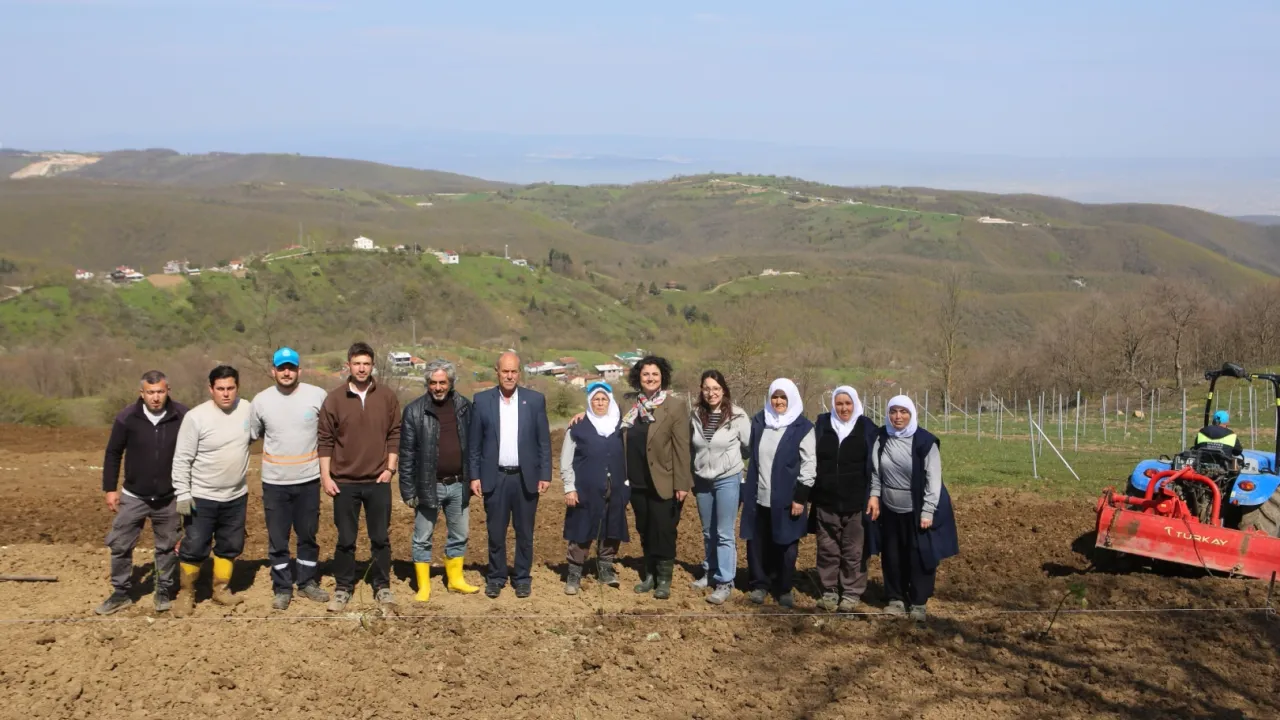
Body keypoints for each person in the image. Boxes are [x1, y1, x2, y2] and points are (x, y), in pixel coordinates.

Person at [318, 342, 402, 612]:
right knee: (345, 538)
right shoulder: (334, 399)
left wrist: (390, 469)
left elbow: (395, 433)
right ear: (349, 366)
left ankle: (382, 586)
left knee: (380, 537)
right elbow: (325, 440)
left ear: (372, 366)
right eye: (357, 364)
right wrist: (326, 477)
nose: (362, 368)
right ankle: (343, 588)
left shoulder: (386, 396)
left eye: (366, 364)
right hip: (344, 482)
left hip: (378, 480)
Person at [96, 370, 189, 615]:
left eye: (160, 392)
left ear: (168, 391)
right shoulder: (127, 417)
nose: (155, 397)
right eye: (150, 392)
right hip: (134, 495)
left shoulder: (183, 416)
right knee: (120, 545)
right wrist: (110, 489)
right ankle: (121, 592)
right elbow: (113, 453)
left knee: (167, 547)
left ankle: (163, 589)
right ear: (142, 393)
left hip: (169, 496)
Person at [249, 347, 331, 611]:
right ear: (273, 371)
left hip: (308, 480)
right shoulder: (261, 401)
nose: (286, 372)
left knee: (308, 535)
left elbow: (329, 431)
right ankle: (282, 587)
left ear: (299, 370)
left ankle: (307, 582)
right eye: (282, 368)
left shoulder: (317, 395)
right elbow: (253, 433)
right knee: (278, 539)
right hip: (275, 483)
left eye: (291, 368)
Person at [468, 352, 552, 598]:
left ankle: (522, 577)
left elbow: (543, 441)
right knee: (496, 532)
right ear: (497, 372)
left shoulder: (534, 401)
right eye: (505, 371)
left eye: (514, 371)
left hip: (526, 477)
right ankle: (496, 577)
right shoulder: (482, 401)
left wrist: (545, 474)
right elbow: (474, 444)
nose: (509, 376)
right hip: (495, 477)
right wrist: (474, 475)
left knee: (525, 532)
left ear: (519, 373)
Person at [869, 395, 959, 622]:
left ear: (912, 414)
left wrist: (928, 510)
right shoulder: (881, 437)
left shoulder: (924, 442)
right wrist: (874, 496)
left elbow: (933, 479)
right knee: (892, 555)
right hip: (889, 509)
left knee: (919, 556)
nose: (898, 417)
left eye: (903, 412)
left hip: (917, 508)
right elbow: (876, 472)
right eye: (893, 412)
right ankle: (896, 599)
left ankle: (918, 602)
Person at [172, 365, 254, 615]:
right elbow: (182, 458)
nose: (226, 394)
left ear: (237, 388)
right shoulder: (196, 417)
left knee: (230, 544)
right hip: (202, 496)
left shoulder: (247, 409)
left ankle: (221, 589)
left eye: (230, 388)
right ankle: (186, 593)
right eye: (220, 389)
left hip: (236, 496)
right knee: (195, 546)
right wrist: (182, 493)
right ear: (211, 389)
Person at [398, 358, 481, 603]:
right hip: (428, 485)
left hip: (459, 484)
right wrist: (408, 490)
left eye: (442, 382)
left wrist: (474, 478)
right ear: (427, 383)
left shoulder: (465, 407)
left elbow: (474, 446)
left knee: (460, 534)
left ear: (451, 382)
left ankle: (455, 580)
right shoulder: (414, 411)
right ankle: (423, 586)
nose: (438, 387)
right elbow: (407, 454)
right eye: (433, 383)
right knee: (422, 537)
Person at [622, 355, 692, 600]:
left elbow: (682, 447)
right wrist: (580, 415)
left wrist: (682, 483)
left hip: (664, 479)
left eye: (655, 374)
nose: (650, 378)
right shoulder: (629, 405)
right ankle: (649, 574)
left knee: (663, 530)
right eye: (645, 374)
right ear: (638, 377)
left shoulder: (675, 406)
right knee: (644, 528)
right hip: (636, 479)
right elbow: (602, 415)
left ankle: (664, 579)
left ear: (662, 377)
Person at [743, 379, 815, 608]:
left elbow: (809, 465)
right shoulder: (760, 421)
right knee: (757, 543)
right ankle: (759, 584)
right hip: (758, 495)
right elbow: (751, 454)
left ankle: (784, 587)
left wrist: (800, 497)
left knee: (786, 547)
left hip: (787, 498)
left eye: (783, 397)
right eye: (775, 396)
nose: (778, 401)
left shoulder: (803, 427)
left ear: (791, 398)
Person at [810, 385, 878, 612]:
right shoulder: (822, 424)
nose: (844, 408)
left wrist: (873, 495)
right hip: (826, 499)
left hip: (856, 501)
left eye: (848, 403)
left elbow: (875, 465)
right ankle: (829, 590)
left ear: (855, 404)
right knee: (827, 548)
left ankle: (850, 593)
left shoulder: (866, 428)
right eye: (839, 403)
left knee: (854, 550)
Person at [559, 381, 628, 595]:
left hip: (615, 487)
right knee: (581, 529)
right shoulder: (578, 426)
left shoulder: (621, 426)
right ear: (590, 402)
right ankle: (574, 573)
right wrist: (569, 487)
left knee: (612, 527)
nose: (600, 403)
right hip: (585, 489)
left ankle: (605, 568)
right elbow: (566, 460)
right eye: (596, 399)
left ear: (610, 401)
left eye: (603, 399)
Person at [689, 370, 750, 605]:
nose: (711, 393)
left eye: (715, 388)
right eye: (707, 388)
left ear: (723, 390)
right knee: (708, 531)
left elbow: (748, 446)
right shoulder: (696, 414)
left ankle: (725, 581)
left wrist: (730, 462)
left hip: (727, 478)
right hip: (702, 479)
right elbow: (693, 446)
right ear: (701, 390)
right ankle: (710, 570)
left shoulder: (738, 416)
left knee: (724, 532)